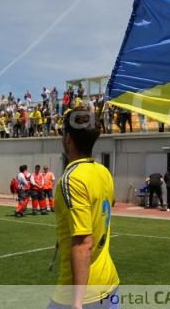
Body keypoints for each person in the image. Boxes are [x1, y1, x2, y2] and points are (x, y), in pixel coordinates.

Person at [49, 105, 119, 309]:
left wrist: (76, 304)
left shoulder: (72, 179)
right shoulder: (103, 171)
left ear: (68, 139)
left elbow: (83, 244)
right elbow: (110, 202)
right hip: (110, 283)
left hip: (81, 296)